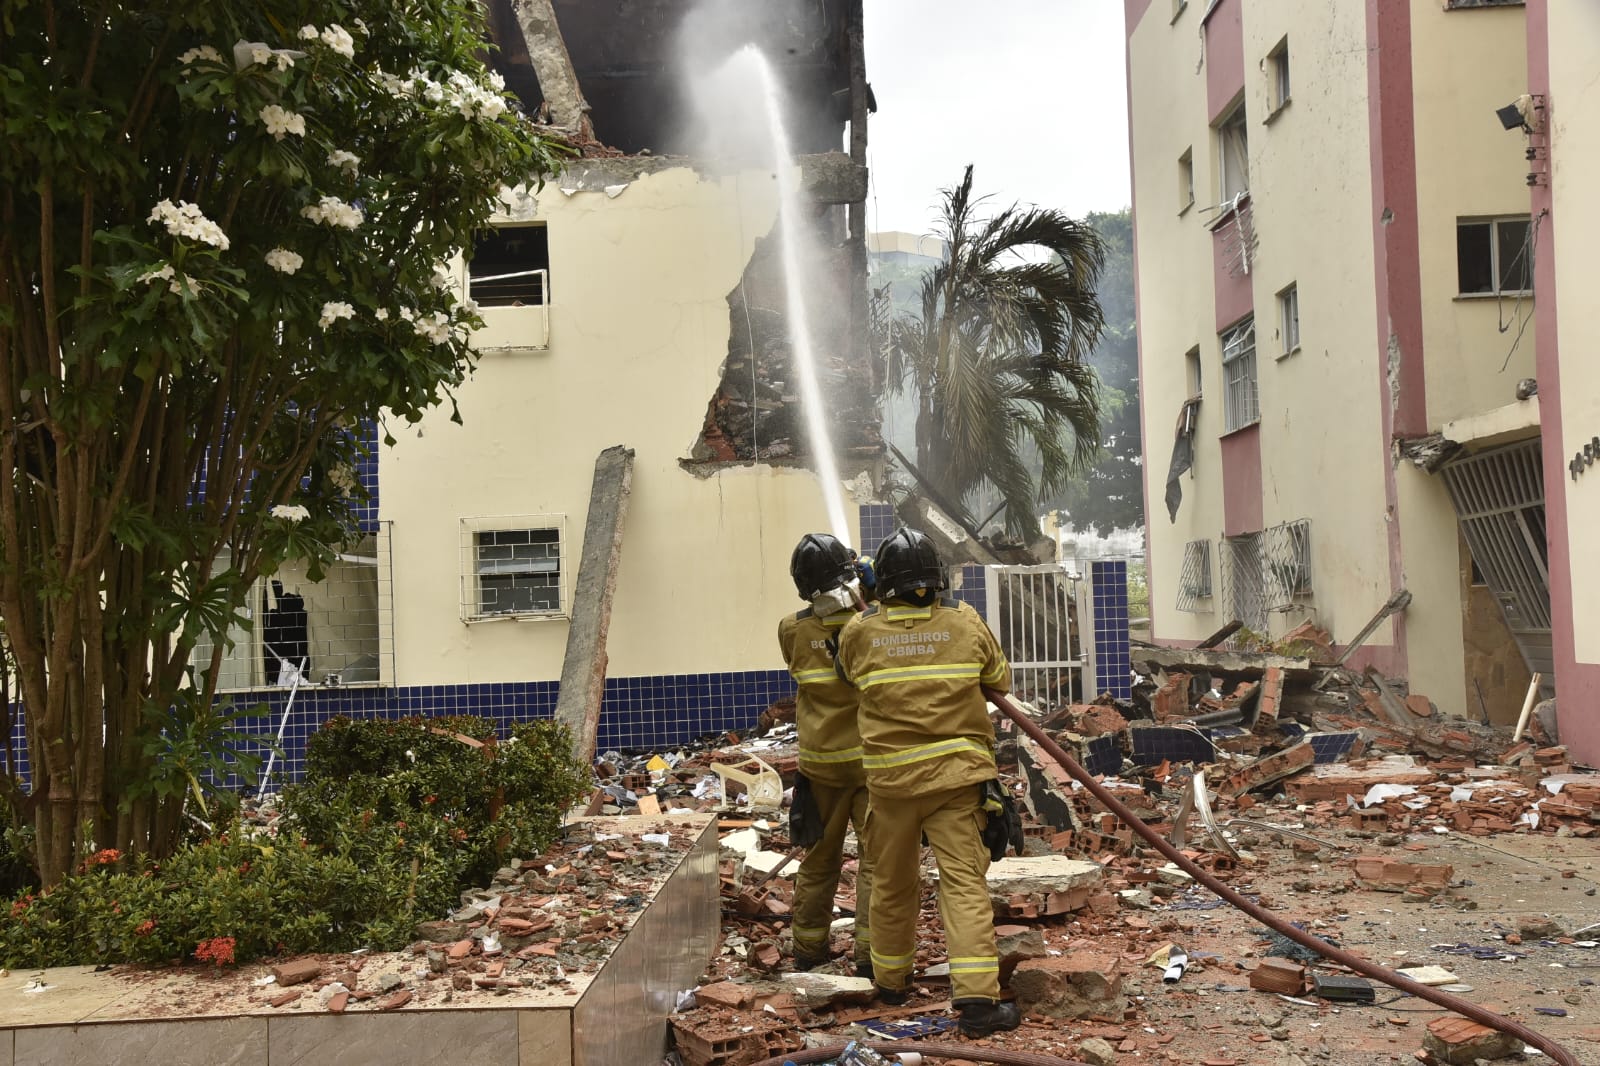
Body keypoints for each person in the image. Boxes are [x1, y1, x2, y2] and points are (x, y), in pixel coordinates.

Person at [834, 526, 1021, 1037]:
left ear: (882, 582)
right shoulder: (964, 621)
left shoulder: (859, 630)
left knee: (892, 883)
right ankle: (978, 1003)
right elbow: (1000, 680)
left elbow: (847, 676)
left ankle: (891, 981)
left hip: (891, 785)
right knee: (963, 886)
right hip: (957, 782)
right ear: (938, 578)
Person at [776, 533, 875, 976]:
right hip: (871, 765)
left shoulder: (792, 629)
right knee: (877, 864)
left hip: (820, 768)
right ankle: (870, 954)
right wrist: (873, 591)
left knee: (819, 861)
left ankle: (808, 949)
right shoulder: (870, 625)